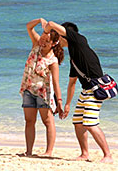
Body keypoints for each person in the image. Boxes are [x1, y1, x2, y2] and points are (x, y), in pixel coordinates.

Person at [42, 21, 113, 163]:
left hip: (96, 89)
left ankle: (107, 156)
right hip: (86, 91)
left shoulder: (80, 41)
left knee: (90, 123)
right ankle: (84, 154)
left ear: (64, 35)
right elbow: (72, 82)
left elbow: (50, 23)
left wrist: (46, 30)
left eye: (57, 36)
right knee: (78, 122)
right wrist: (67, 104)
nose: (55, 40)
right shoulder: (74, 57)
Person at [19, 18, 64, 157]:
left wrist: (60, 102)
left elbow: (56, 83)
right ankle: (29, 151)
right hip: (28, 90)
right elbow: (28, 26)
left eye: (46, 40)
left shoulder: (53, 61)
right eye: (42, 37)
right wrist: (40, 20)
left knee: (47, 121)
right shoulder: (35, 46)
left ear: (54, 43)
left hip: (43, 94)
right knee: (29, 121)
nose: (42, 41)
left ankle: (49, 152)